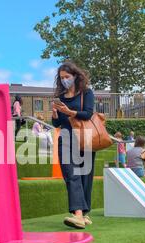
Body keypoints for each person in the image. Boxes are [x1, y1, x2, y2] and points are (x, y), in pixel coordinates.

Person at [52, 61, 96, 230]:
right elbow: (57, 124)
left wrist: (71, 113)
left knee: (85, 175)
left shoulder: (86, 93)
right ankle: (77, 214)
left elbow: (88, 113)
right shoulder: (61, 98)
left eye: (67, 77)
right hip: (66, 137)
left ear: (75, 76)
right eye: (62, 78)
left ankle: (83, 214)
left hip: (85, 137)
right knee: (71, 174)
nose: (64, 80)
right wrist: (56, 114)